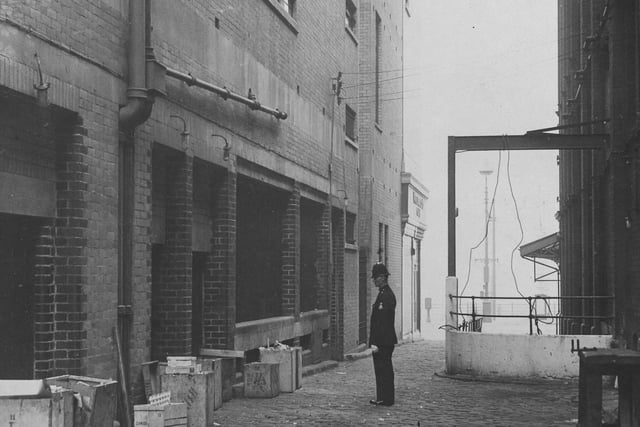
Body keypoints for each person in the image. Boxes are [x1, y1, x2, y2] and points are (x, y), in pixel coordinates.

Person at [368, 262, 397, 406]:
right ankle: (383, 397)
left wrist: (376, 343)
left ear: (381, 278)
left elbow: (382, 323)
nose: (373, 280)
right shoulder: (384, 294)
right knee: (382, 369)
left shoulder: (386, 296)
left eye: (375, 278)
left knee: (383, 369)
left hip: (383, 341)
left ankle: (386, 398)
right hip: (384, 341)